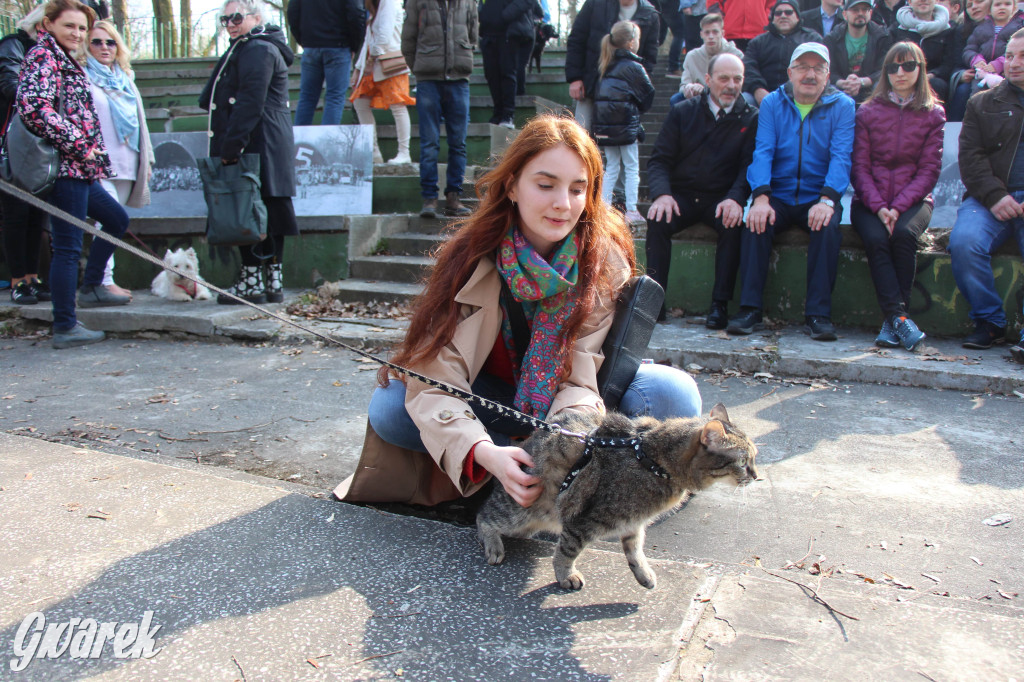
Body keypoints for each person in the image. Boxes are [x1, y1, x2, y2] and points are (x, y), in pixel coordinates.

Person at [333, 115, 702, 507]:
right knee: (390, 407)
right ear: (512, 186)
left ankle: (560, 472)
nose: (563, 203)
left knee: (671, 394)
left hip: (573, 408)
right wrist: (482, 451)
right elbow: (435, 372)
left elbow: (580, 380)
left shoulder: (602, 260)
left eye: (579, 189)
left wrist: (561, 443)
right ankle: (502, 468)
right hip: (490, 399)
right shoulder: (470, 256)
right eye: (545, 185)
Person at [17, 0, 131, 349]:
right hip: (65, 168)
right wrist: (80, 144)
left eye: (82, 28)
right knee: (67, 247)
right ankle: (65, 325)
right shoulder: (43, 56)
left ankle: (94, 284)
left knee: (116, 219)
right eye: (70, 26)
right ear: (48, 24)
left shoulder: (65, 58)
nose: (78, 34)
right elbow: (34, 108)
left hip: (82, 169)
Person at [730, 42, 855, 340]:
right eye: (803, 67)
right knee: (755, 224)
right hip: (779, 193)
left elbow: (841, 157)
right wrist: (760, 197)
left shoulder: (843, 106)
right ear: (790, 72)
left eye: (818, 68)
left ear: (827, 75)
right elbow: (763, 152)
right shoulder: (773, 102)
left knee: (827, 228)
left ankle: (818, 314)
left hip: (819, 194)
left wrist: (827, 200)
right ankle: (749, 309)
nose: (810, 74)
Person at [646, 53, 758, 327]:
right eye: (724, 78)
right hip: (681, 196)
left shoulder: (752, 117)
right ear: (708, 80)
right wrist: (662, 194)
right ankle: (653, 305)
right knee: (658, 219)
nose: (731, 85)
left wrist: (735, 198)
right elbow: (660, 159)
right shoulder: (683, 111)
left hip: (720, 198)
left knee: (733, 225)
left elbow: (749, 166)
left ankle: (719, 305)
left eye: (737, 79)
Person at [200, 0, 298, 305]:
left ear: (256, 17)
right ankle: (269, 281)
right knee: (264, 210)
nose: (229, 23)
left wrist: (232, 146)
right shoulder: (252, 46)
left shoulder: (257, 48)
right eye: (224, 19)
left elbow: (250, 101)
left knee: (249, 210)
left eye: (236, 17)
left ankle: (254, 280)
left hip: (257, 144)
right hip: (264, 143)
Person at [851, 41, 945, 351]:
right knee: (877, 240)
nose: (900, 73)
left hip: (914, 201)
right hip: (869, 201)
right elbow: (860, 167)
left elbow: (929, 171)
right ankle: (900, 320)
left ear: (921, 69)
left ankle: (894, 320)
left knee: (904, 236)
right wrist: (880, 208)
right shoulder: (867, 111)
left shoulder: (934, 114)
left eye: (908, 66)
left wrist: (898, 207)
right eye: (893, 67)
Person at [949, 27, 1024, 362]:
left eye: (1022, 56)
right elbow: (970, 157)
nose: (1014, 63)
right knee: (964, 242)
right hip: (988, 198)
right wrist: (995, 196)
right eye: (1009, 55)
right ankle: (990, 322)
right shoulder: (982, 102)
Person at [84, 19, 153, 300]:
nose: (104, 47)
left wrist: (147, 160)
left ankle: (101, 281)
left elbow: (141, 122)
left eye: (110, 41)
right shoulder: (82, 76)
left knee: (115, 221)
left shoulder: (126, 78)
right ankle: (102, 281)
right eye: (96, 42)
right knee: (109, 220)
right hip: (98, 163)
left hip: (128, 161)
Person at [403, 0, 478, 219]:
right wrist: (421, 67)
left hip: (459, 80)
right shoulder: (417, 2)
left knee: (458, 143)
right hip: (428, 81)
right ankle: (429, 199)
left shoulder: (468, 3)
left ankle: (453, 198)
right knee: (429, 143)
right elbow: (408, 40)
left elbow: (473, 36)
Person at [0, 4, 50, 306]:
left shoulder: (50, 54)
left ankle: (33, 276)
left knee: (36, 215)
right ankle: (18, 280)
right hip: (14, 145)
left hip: (38, 145)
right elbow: (10, 85)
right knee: (16, 215)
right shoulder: (13, 45)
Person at [593, 21, 655, 225]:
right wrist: (637, 109)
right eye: (637, 38)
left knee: (611, 167)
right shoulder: (634, 67)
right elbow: (648, 93)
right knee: (631, 167)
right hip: (626, 125)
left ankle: (602, 207)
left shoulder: (605, 65)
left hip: (606, 128)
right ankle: (631, 209)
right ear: (630, 43)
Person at [565, 0, 660, 132]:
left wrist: (640, 87)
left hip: (626, 93)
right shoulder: (595, 4)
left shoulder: (650, 14)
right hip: (591, 83)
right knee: (581, 137)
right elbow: (577, 39)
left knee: (623, 141)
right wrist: (575, 78)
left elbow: (650, 56)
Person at [349, 0, 415, 165]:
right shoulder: (375, 6)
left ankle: (404, 153)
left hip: (389, 61)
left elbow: (384, 33)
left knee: (398, 106)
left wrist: (371, 59)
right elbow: (368, 39)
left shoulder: (389, 2)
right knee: (360, 102)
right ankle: (374, 153)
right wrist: (359, 68)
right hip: (374, 63)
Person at [287, 0, 365, 126]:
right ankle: (328, 143)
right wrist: (354, 45)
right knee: (334, 98)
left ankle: (299, 142)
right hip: (338, 45)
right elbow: (356, 12)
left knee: (307, 98)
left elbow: (292, 12)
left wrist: (304, 40)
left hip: (311, 46)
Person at [743, 0, 823, 105]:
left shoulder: (812, 39)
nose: (783, 16)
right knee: (744, 99)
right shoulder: (758, 42)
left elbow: (821, 68)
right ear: (772, 18)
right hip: (763, 95)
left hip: (802, 93)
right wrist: (757, 89)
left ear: (798, 16)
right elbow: (748, 68)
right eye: (778, 13)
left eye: (788, 12)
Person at [479, 0, 536, 128]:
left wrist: (506, 14)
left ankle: (508, 114)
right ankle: (498, 112)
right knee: (491, 74)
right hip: (488, 33)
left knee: (507, 72)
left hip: (510, 33)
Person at [824, 0, 893, 102]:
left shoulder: (883, 37)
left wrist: (862, 82)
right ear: (844, 14)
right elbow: (829, 70)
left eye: (864, 10)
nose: (860, 13)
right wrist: (843, 83)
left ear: (870, 13)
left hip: (871, 87)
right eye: (855, 10)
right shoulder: (832, 38)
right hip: (841, 88)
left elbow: (883, 68)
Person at [889, 0, 958, 100]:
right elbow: (889, 59)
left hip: (932, 78)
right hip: (902, 73)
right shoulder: (897, 29)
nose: (923, 0)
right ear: (910, 2)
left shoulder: (947, 30)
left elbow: (948, 63)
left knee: (937, 85)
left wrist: (932, 74)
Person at [674, 12, 745, 103]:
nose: (711, 36)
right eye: (707, 33)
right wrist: (690, 87)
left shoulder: (736, 55)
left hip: (727, 95)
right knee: (676, 99)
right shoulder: (692, 56)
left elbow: (742, 85)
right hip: (698, 98)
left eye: (715, 32)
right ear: (701, 34)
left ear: (722, 33)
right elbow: (683, 86)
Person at [962, 0, 1024, 92]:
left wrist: (998, 64)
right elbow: (969, 49)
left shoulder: (1018, 28)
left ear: (1014, 8)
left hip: (1006, 72)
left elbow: (1017, 51)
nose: (1002, 7)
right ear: (989, 10)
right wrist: (976, 60)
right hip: (983, 72)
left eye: (1007, 4)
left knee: (1006, 94)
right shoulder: (980, 29)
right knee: (978, 93)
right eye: (997, 4)